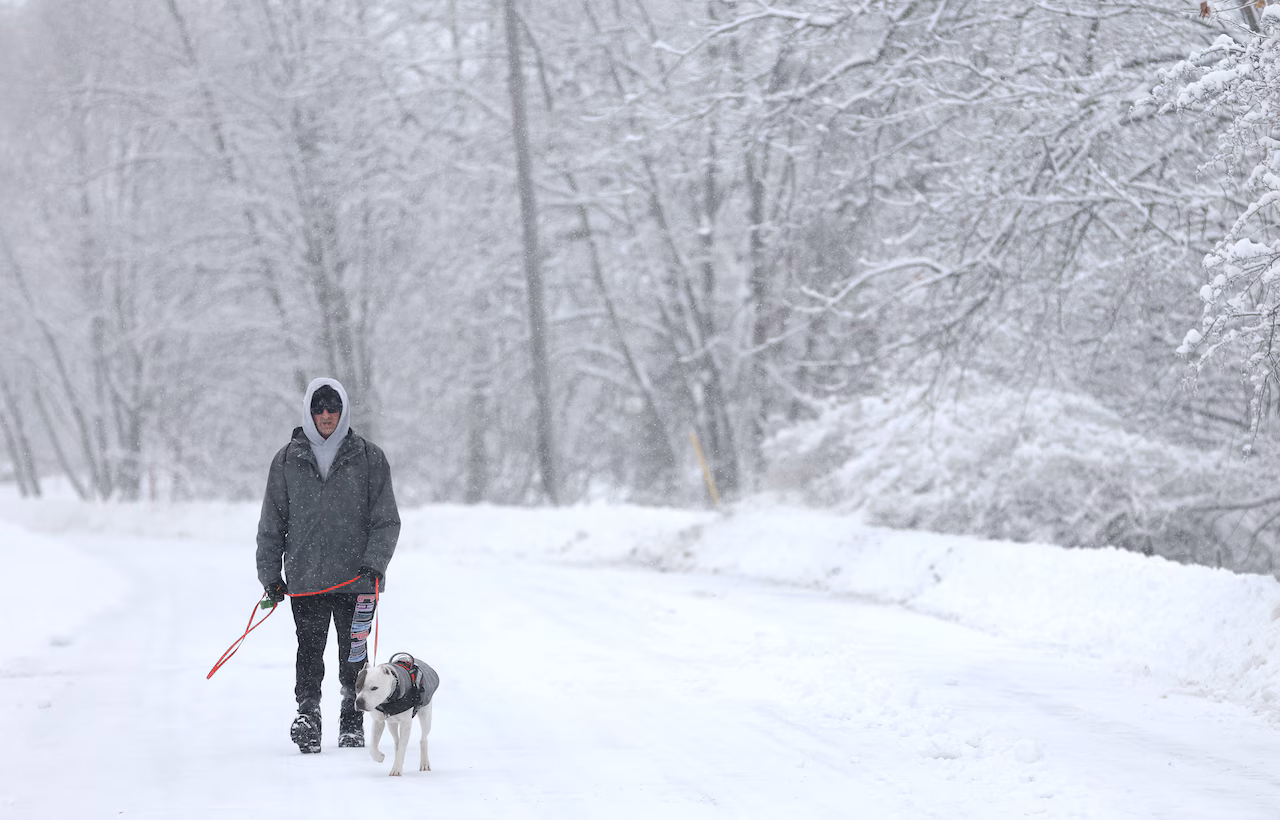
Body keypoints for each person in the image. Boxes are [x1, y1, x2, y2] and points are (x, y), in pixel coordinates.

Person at [256, 377, 400, 753]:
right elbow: (272, 523)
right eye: (318, 408)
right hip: (306, 579)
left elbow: (386, 520)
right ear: (308, 410)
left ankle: (352, 719)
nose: (325, 415)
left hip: (357, 580)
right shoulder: (286, 460)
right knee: (308, 652)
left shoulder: (369, 458)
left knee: (353, 654)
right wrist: (270, 575)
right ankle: (308, 715)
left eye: (332, 408)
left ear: (343, 410)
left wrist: (375, 564)